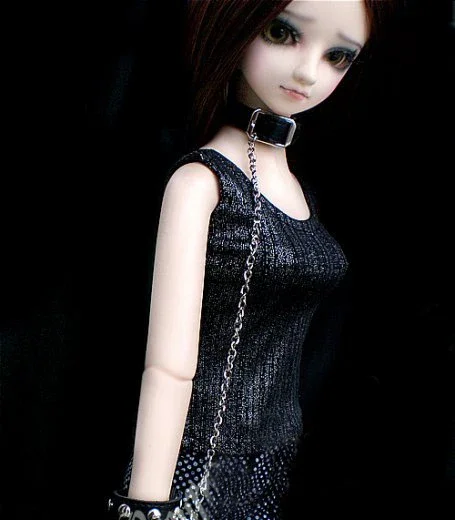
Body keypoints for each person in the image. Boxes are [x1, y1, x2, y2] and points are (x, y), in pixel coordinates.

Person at [106, 1, 399, 519]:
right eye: (282, 33)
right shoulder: (202, 183)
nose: (307, 72)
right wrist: (148, 504)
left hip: (273, 463)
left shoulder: (298, 192)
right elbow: (168, 368)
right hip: (198, 463)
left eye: (337, 56)